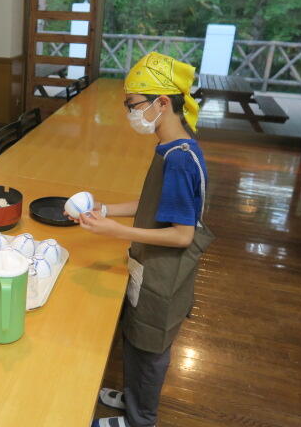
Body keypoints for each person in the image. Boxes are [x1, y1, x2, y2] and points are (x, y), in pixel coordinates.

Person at [80, 53, 215, 427]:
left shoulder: (180, 159)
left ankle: (141, 419)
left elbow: (182, 234)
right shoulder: (172, 147)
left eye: (132, 105)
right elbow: (154, 202)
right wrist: (106, 209)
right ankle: (133, 398)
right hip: (151, 261)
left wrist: (117, 231)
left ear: (162, 103)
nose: (130, 113)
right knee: (136, 337)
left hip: (164, 270)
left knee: (151, 346)